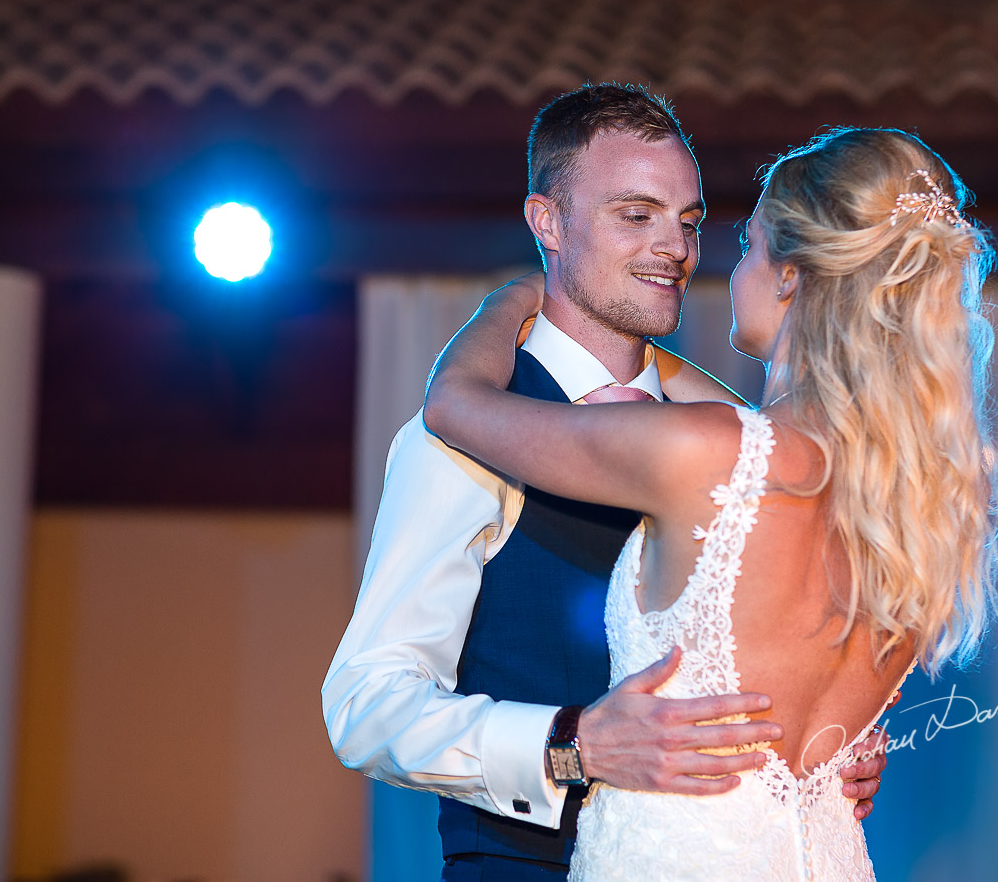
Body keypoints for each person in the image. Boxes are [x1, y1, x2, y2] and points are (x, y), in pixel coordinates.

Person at [322, 83, 889, 881]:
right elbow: (365, 705)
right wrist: (569, 745)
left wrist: (824, 750)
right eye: (636, 215)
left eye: (688, 221)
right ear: (547, 221)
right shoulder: (464, 437)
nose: (675, 248)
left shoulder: (734, 444)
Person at [422, 126, 998, 880]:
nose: (721, 269)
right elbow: (748, 432)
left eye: (748, 244)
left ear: (792, 275)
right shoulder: (910, 506)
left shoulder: (706, 453)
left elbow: (454, 405)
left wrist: (516, 299)